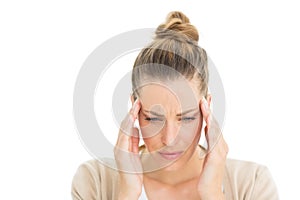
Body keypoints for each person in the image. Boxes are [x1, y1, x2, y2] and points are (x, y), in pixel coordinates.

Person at [71, 11, 279, 199]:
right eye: (153, 118)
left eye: (187, 118)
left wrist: (213, 193)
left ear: (206, 108)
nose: (170, 139)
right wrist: (128, 193)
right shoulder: (94, 181)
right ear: (135, 109)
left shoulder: (252, 184)